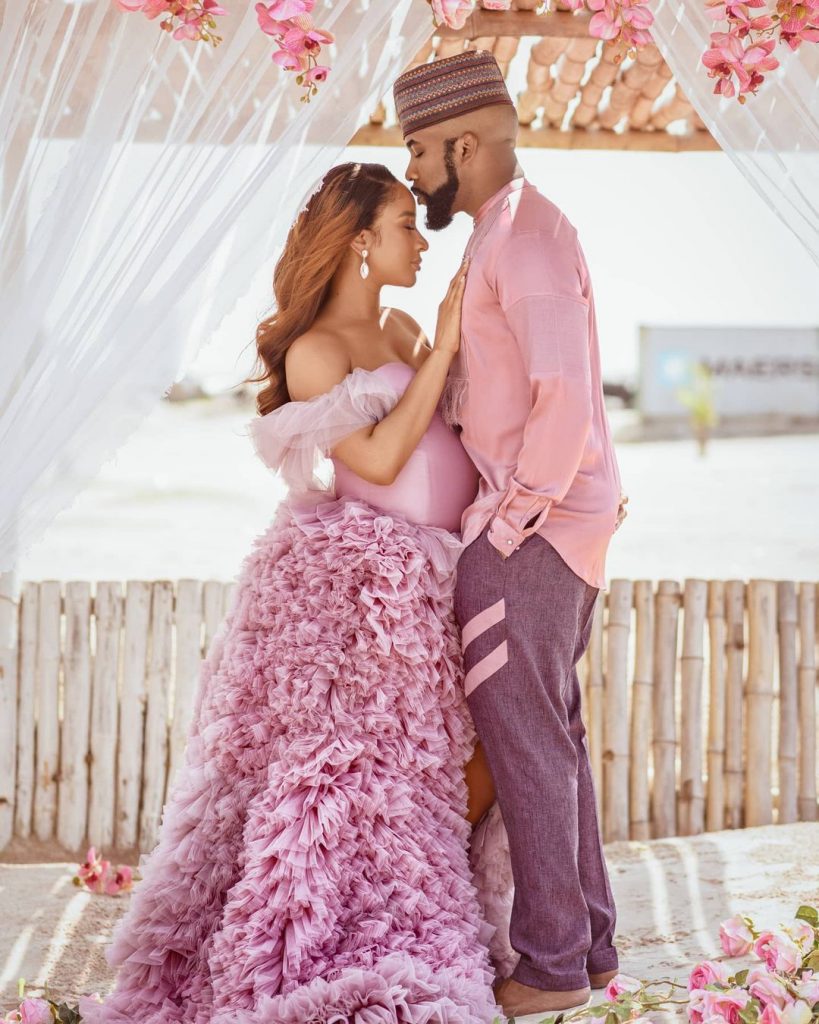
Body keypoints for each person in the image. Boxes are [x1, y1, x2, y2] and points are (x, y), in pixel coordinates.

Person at [79, 163, 504, 1023]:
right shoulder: (316, 350)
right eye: (404, 225)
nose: (421, 243)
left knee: (469, 750)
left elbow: (457, 431)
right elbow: (379, 458)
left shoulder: (401, 327)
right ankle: (361, 924)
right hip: (366, 585)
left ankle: (422, 901)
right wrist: (443, 348)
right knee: (373, 770)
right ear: (359, 240)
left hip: (441, 568)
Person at [394, 48, 626, 1020]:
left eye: (418, 150)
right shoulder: (505, 231)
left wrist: (505, 528)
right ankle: (590, 948)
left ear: (464, 143)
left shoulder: (525, 237)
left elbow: (562, 396)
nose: (411, 171)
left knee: (528, 749)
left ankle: (550, 966)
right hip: (547, 529)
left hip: (530, 535)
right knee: (552, 740)